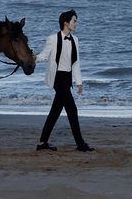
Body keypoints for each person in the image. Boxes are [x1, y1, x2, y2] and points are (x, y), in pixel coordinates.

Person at [35, 10, 94, 152]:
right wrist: (33, 58)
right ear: (66, 23)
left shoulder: (75, 40)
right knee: (72, 110)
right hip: (57, 77)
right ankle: (80, 144)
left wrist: (79, 82)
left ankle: (42, 143)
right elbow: (44, 55)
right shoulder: (52, 39)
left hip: (67, 79)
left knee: (55, 111)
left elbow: (75, 63)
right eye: (74, 21)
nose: (76, 24)